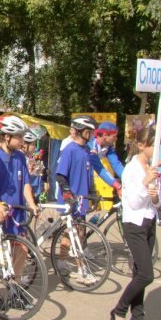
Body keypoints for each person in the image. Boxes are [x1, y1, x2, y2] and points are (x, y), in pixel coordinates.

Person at [0, 116, 38, 308]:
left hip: (17, 213)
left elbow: (26, 183)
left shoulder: (20, 157)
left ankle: (15, 291)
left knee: (21, 249)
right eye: (19, 136)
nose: (22, 140)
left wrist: (32, 203)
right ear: (7, 137)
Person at [110, 126, 159, 320]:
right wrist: (145, 182)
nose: (157, 150)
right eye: (154, 145)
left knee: (139, 273)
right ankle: (119, 311)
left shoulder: (151, 167)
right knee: (146, 275)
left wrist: (155, 196)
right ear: (141, 145)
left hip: (149, 221)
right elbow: (133, 202)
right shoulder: (131, 169)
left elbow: (156, 202)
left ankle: (138, 319)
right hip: (134, 223)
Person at [55, 115, 97, 286]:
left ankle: (62, 261)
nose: (92, 134)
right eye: (90, 131)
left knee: (75, 233)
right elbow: (60, 175)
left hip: (82, 198)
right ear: (82, 131)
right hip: (71, 198)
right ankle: (82, 270)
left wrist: (92, 192)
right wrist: (67, 192)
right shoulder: (70, 149)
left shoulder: (86, 150)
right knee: (75, 234)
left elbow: (89, 173)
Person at [89, 122, 125, 211]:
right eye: (114, 136)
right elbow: (99, 168)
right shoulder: (92, 145)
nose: (116, 139)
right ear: (105, 135)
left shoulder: (108, 145)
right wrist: (117, 185)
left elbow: (116, 164)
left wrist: (128, 179)